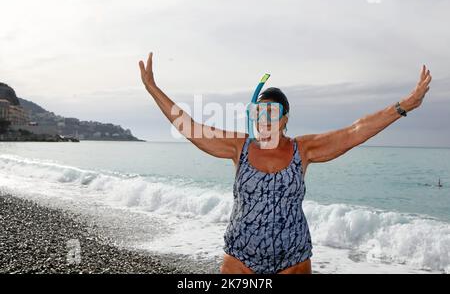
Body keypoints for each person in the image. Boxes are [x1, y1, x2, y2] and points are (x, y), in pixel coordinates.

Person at [138, 52, 432, 274]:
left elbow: (355, 131)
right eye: (260, 111)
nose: (264, 118)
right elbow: (190, 127)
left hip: (293, 261)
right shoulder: (238, 146)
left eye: (272, 112)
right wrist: (152, 88)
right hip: (241, 260)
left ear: (285, 119)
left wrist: (403, 106)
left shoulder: (303, 149)